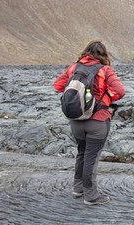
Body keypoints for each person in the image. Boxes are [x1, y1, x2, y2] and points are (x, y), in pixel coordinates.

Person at [53, 40, 126, 205]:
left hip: (76, 120)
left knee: (81, 153)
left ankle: (78, 188)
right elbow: (120, 92)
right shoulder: (104, 70)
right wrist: (105, 97)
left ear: (86, 52)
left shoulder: (74, 67)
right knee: (91, 158)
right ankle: (91, 196)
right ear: (103, 55)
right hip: (98, 121)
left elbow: (58, 85)